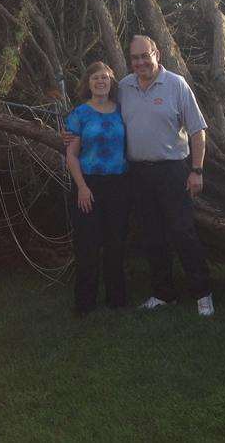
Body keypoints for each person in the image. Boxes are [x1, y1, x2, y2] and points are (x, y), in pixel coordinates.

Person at [120, 35, 214, 317]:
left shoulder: (176, 85)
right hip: (138, 173)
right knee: (152, 236)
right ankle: (164, 294)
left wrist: (196, 170)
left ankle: (203, 294)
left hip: (173, 171)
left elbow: (197, 130)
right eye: (134, 58)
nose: (140, 63)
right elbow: (102, 113)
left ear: (156, 54)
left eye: (144, 56)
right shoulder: (124, 87)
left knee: (183, 232)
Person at [64, 61, 131, 317]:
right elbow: (71, 154)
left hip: (119, 184)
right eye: (95, 78)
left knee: (116, 243)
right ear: (88, 84)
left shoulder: (122, 112)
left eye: (104, 78)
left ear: (111, 82)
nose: (100, 82)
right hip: (88, 185)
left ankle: (117, 299)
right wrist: (81, 187)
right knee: (87, 245)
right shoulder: (79, 114)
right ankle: (85, 303)